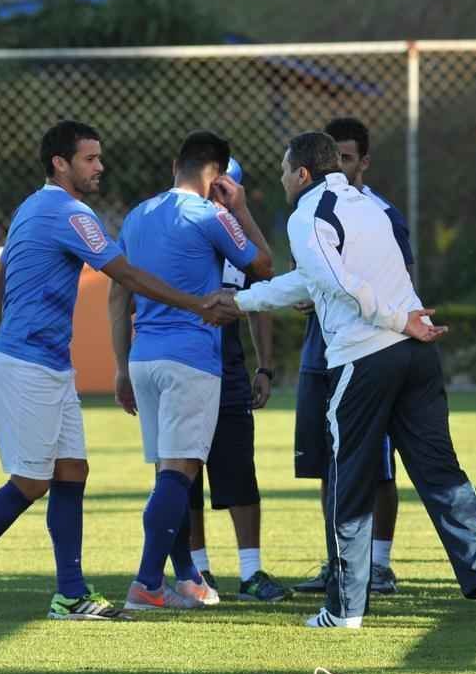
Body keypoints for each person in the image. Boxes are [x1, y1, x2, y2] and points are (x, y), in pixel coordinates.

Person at [0, 120, 238, 621]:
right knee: (30, 481)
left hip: (39, 360)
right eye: (90, 158)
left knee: (72, 472)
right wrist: (197, 304)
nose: (100, 166)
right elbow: (125, 275)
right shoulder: (72, 213)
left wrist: (11, 339)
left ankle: (70, 594)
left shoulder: (31, 205)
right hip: (30, 363)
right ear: (60, 164)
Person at [216, 131, 476, 630]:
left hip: (367, 356)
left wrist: (400, 321)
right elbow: (316, 280)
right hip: (415, 357)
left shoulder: (308, 212)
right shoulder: (368, 205)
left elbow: (337, 282)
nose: (281, 180)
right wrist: (244, 301)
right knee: (440, 472)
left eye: (282, 171)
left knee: (348, 481)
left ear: (302, 174)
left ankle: (345, 609)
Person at [109, 130, 274, 612]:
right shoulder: (213, 215)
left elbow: (119, 292)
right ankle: (146, 583)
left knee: (169, 470)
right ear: (219, 176)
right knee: (178, 475)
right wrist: (240, 208)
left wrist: (120, 366)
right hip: (191, 359)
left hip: (143, 358)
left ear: (175, 164)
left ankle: (187, 577)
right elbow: (262, 267)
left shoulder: (137, 215)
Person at [293, 117, 408, 596]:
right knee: (328, 461)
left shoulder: (379, 214)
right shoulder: (311, 212)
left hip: (367, 351)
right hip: (320, 351)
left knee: (376, 465)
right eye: (330, 157)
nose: (335, 166)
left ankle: (378, 564)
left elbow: (392, 282)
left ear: (362, 162)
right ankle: (337, 560)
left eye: (345, 157)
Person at [183, 157, 290, 602]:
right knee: (183, 473)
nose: (217, 198)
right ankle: (198, 571)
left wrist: (263, 365)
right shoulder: (177, 232)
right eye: (213, 188)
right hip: (183, 366)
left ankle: (251, 572)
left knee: (239, 472)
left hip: (227, 370)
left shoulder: (239, 239)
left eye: (226, 190)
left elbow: (260, 296)